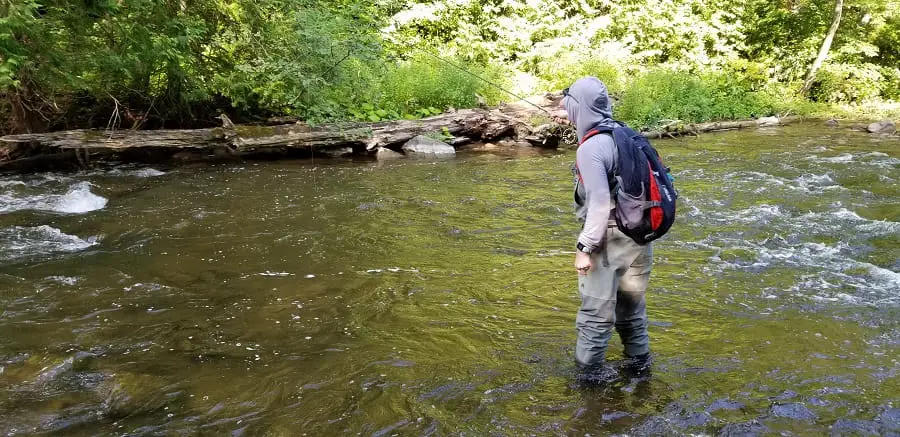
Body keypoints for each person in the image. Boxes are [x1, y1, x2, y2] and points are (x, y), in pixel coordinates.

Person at [553, 77, 653, 376]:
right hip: (641, 236)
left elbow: (598, 203)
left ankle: (587, 388)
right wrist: (571, 113)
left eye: (569, 105)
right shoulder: (627, 134)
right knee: (631, 312)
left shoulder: (591, 149)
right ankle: (641, 375)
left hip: (607, 241)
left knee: (594, 319)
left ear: (579, 107)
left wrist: (584, 248)